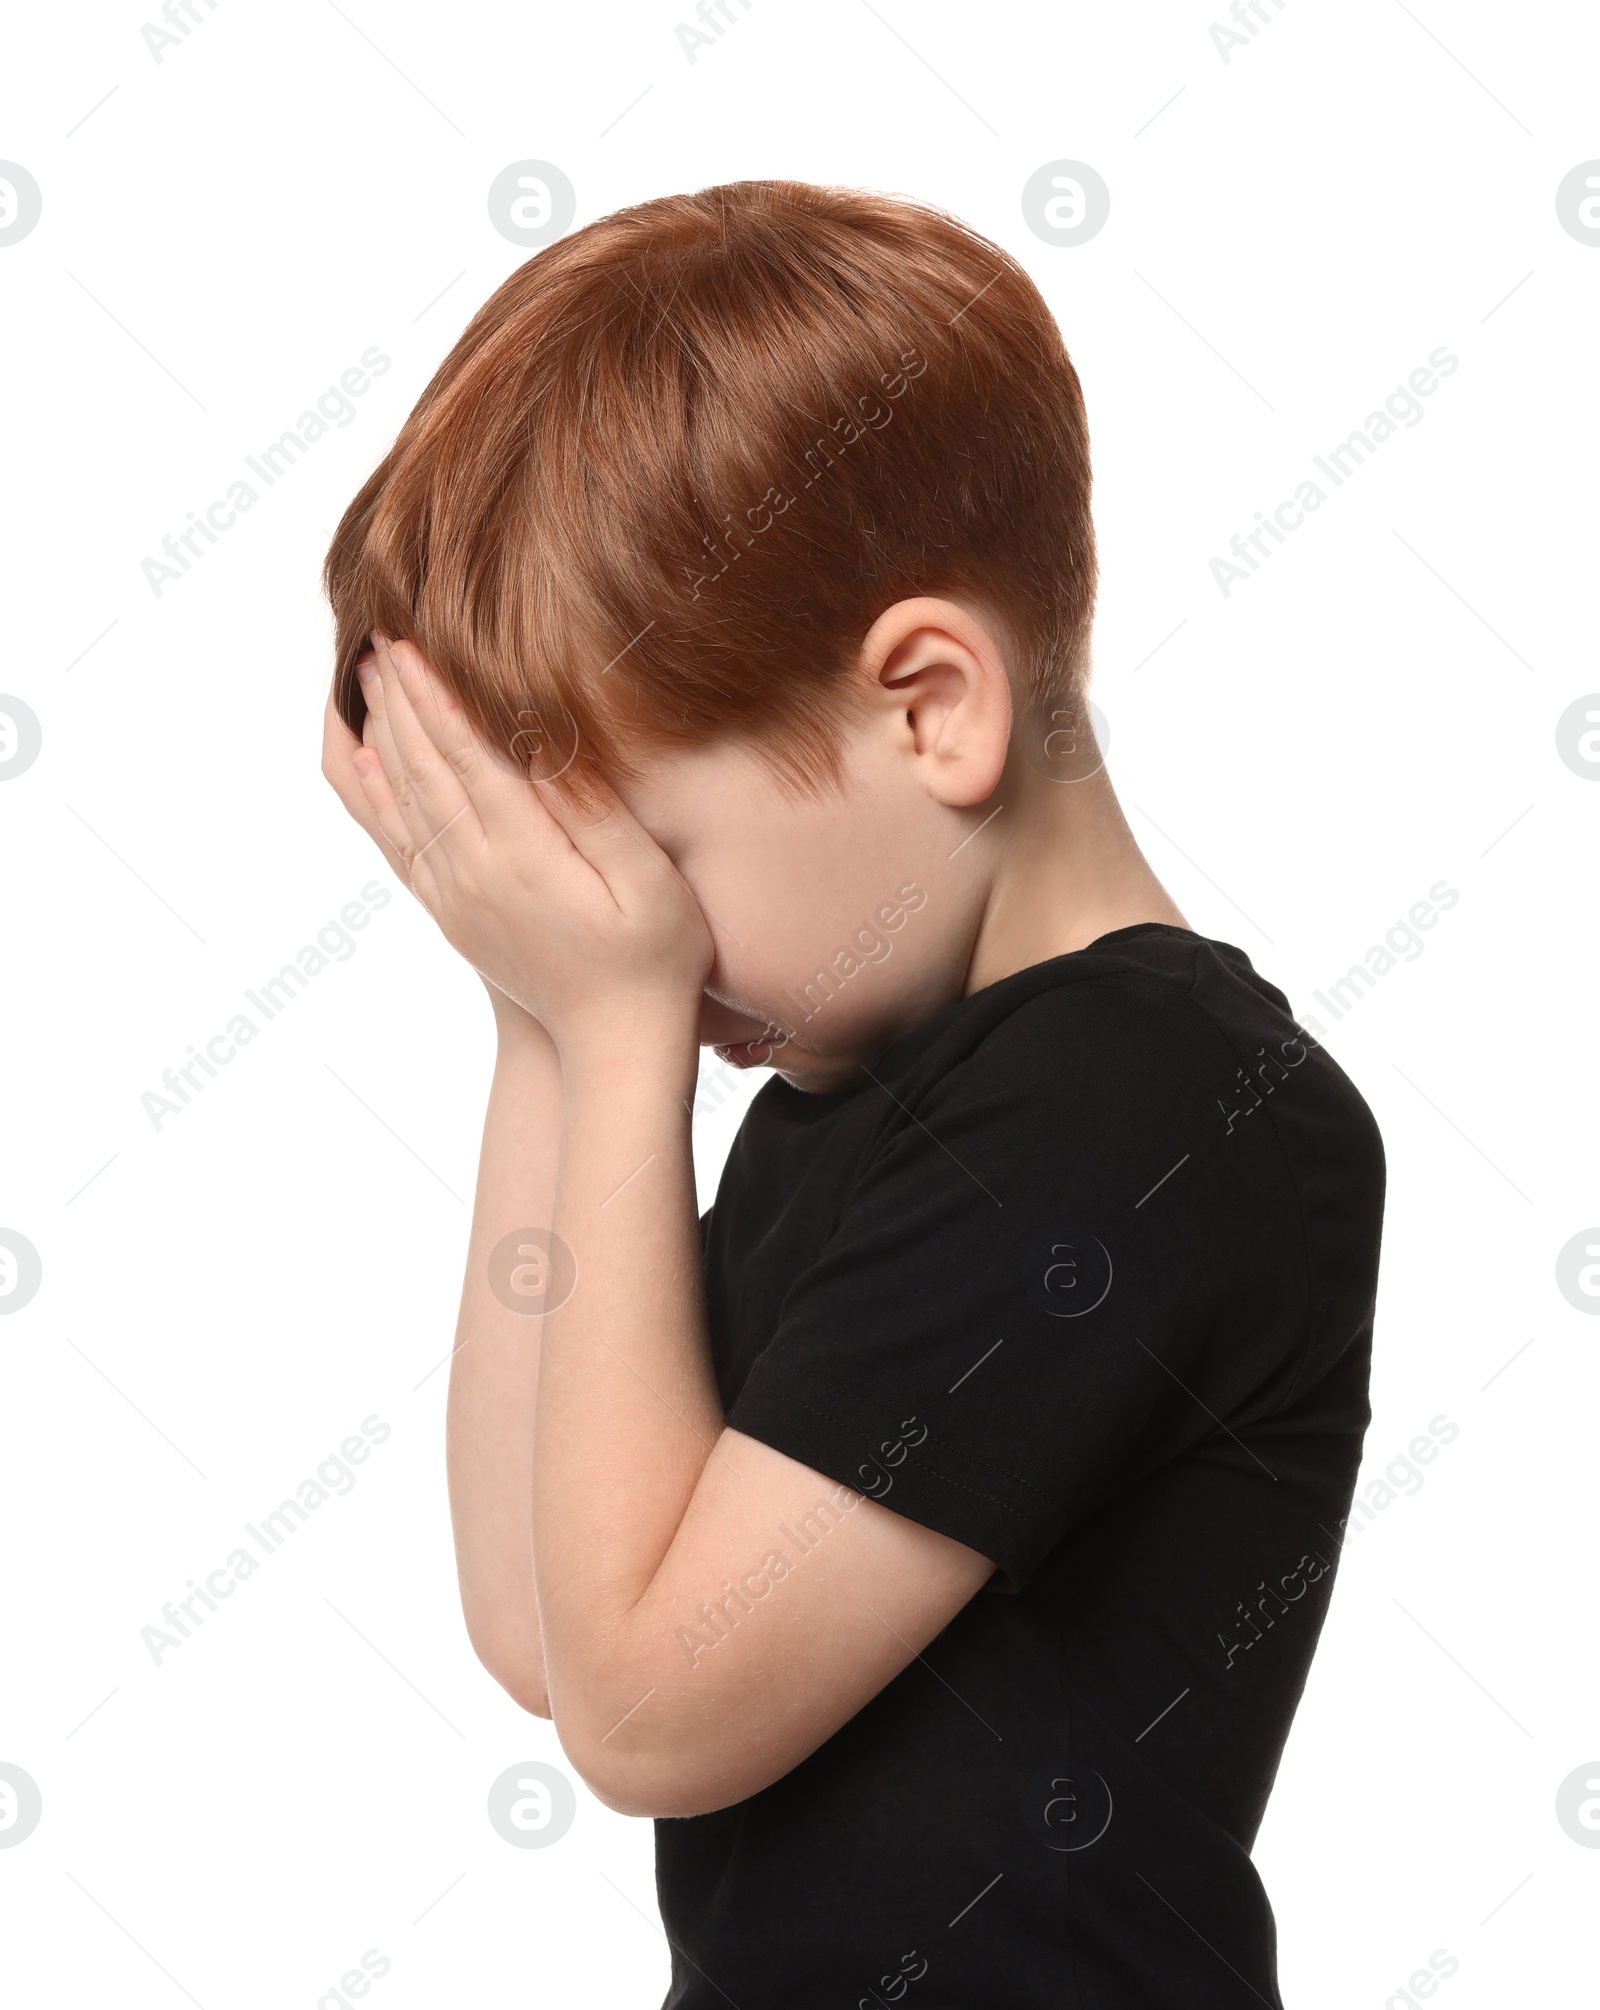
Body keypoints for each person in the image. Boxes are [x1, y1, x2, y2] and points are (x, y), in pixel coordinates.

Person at [320, 179, 1385, 2007]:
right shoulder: (847, 1095)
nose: (628, 927)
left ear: (928, 708)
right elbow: (542, 1624)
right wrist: (548, 1014)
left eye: (648, 857)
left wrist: (626, 1012)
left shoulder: (1150, 1101)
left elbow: (651, 1711)